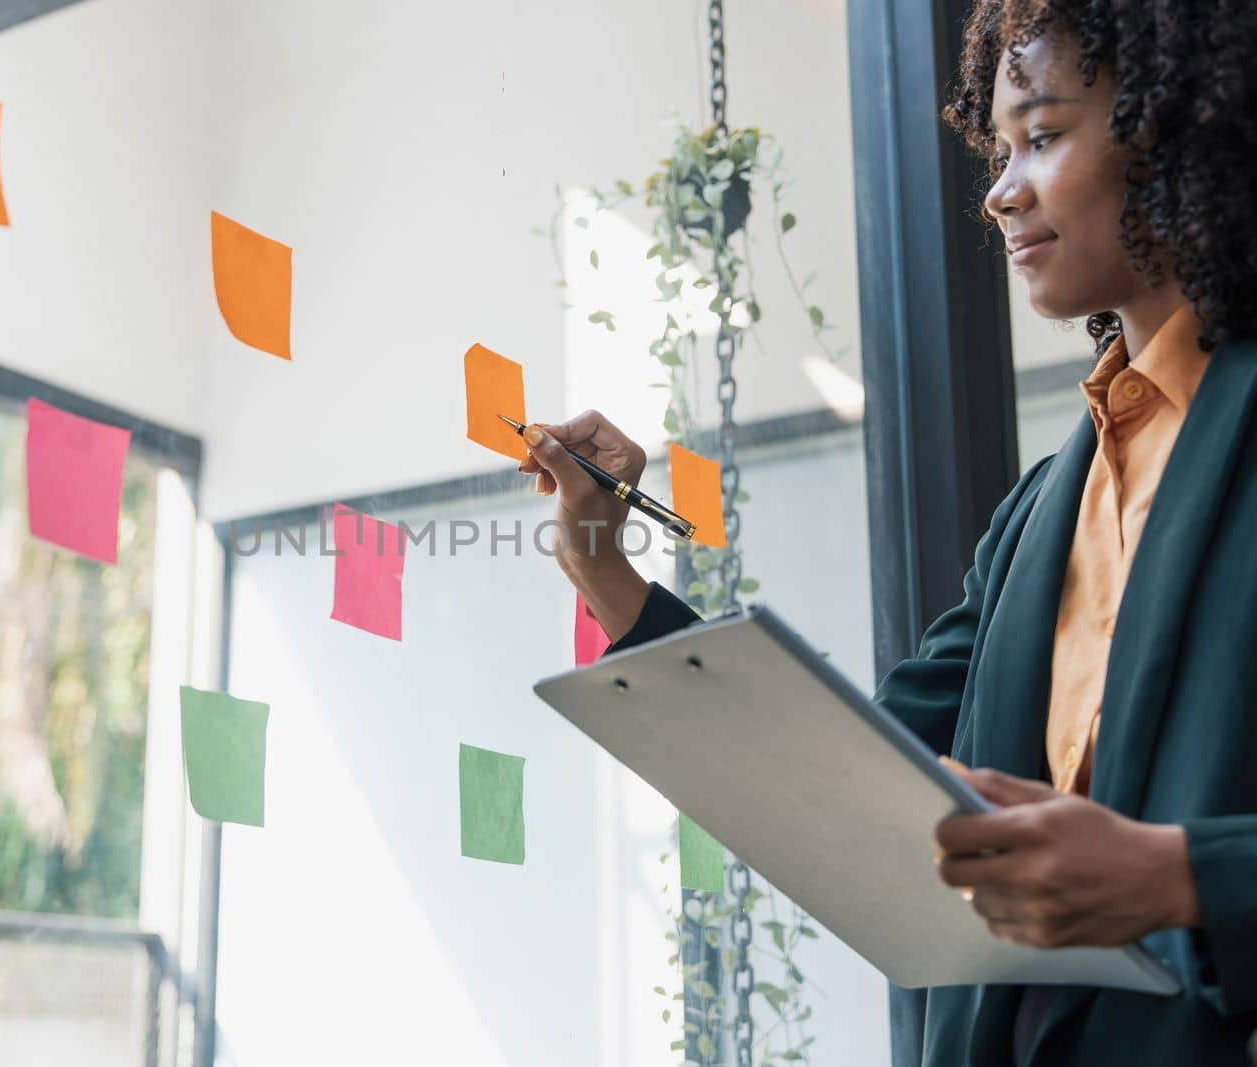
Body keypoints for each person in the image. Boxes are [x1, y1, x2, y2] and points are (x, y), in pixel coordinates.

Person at [520, 1, 1257, 1063]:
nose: (1000, 192)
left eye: (1042, 137)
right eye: (999, 149)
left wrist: (1182, 874)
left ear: (1178, 125)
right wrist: (606, 573)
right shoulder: (1042, 509)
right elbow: (850, 780)